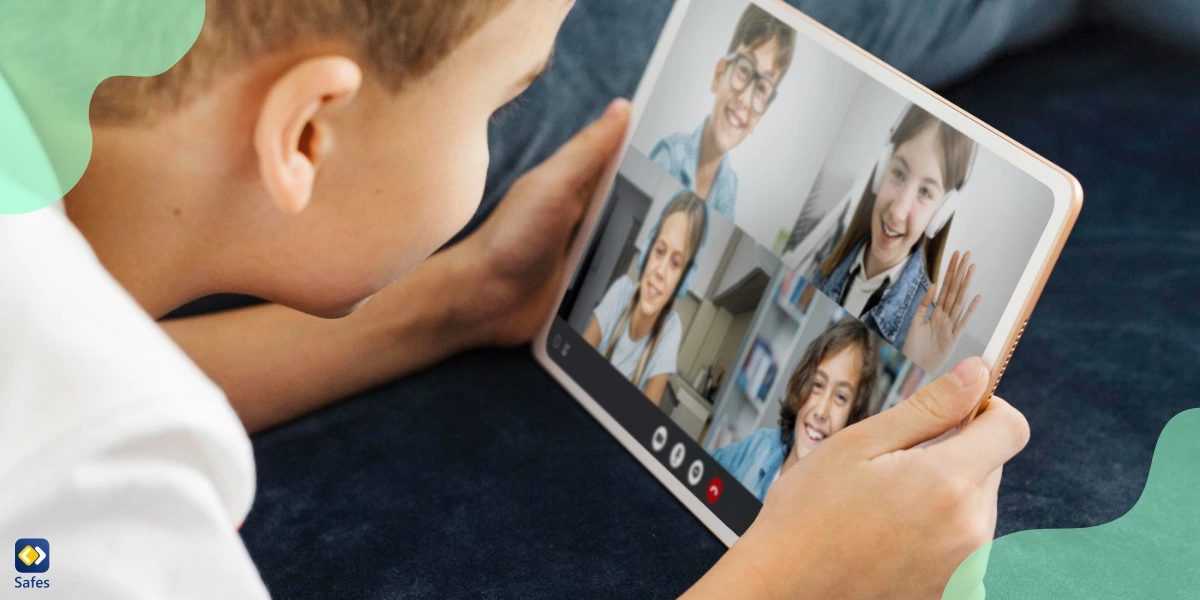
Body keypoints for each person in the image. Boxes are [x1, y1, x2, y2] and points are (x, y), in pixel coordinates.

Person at [0, 0, 1031, 598]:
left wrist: (450, 302)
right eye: (506, 100)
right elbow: (76, 440)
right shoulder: (92, 482)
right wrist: (792, 580)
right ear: (308, 134)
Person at [812, 103, 983, 372]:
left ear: (940, 213)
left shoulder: (926, 328)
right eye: (899, 173)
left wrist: (919, 366)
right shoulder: (826, 262)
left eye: (925, 192)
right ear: (882, 169)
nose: (898, 211)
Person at [649, 3, 795, 223]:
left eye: (762, 89)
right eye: (744, 70)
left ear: (761, 116)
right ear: (719, 75)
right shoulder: (669, 156)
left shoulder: (729, 188)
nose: (745, 99)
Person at [713, 317, 877, 501]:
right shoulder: (759, 446)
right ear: (802, 383)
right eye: (817, 384)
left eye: (841, 397)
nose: (821, 411)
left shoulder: (830, 512)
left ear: (852, 418)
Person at [583, 191, 708, 406]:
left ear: (684, 280)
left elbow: (643, 421)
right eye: (659, 251)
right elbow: (576, 365)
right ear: (648, 252)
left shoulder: (671, 330)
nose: (660, 271)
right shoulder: (621, 290)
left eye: (676, 263)